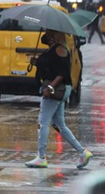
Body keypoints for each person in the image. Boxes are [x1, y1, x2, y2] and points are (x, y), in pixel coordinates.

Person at [25, 30, 93, 168]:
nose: (46, 34)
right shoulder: (53, 48)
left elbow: (62, 73)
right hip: (57, 90)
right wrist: (37, 62)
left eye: (49, 33)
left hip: (56, 90)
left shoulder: (60, 49)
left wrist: (50, 88)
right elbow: (52, 66)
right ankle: (83, 152)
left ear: (55, 35)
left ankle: (41, 157)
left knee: (43, 122)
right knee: (60, 125)